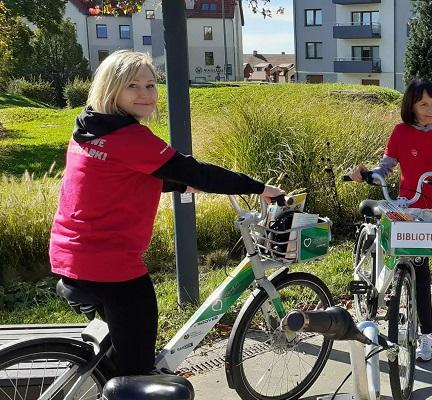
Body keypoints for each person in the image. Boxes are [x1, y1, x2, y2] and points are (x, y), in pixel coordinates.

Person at [49, 50, 284, 377]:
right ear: (111, 88)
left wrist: (175, 185)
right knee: (138, 373)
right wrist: (259, 188)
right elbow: (196, 171)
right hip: (109, 265)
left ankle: (110, 380)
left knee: (125, 348)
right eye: (133, 86)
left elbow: (119, 179)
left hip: (71, 256)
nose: (145, 94)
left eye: (150, 85)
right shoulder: (130, 136)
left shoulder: (91, 129)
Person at [349, 78, 432, 373]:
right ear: (410, 107)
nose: (431, 108)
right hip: (411, 215)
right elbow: (385, 167)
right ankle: (426, 336)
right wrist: (366, 174)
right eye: (423, 103)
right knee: (420, 278)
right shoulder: (400, 132)